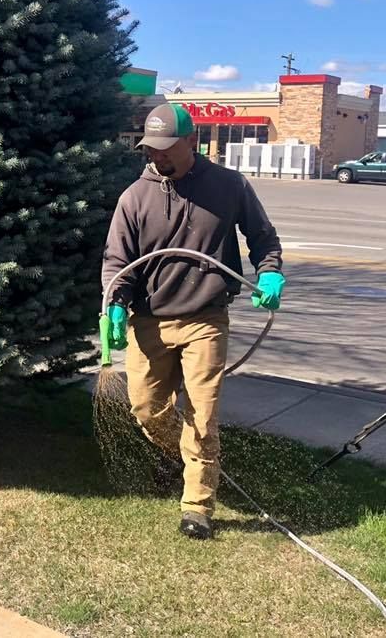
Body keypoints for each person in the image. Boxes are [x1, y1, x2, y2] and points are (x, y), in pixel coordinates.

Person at [101, 103, 285, 540]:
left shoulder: (228, 186)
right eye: (151, 149)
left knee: (202, 415)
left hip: (206, 316)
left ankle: (197, 505)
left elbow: (262, 237)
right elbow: (117, 261)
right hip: (149, 321)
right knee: (146, 411)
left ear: (191, 142)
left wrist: (271, 270)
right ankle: (185, 459)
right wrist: (114, 305)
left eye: (166, 149)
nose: (157, 157)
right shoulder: (135, 197)